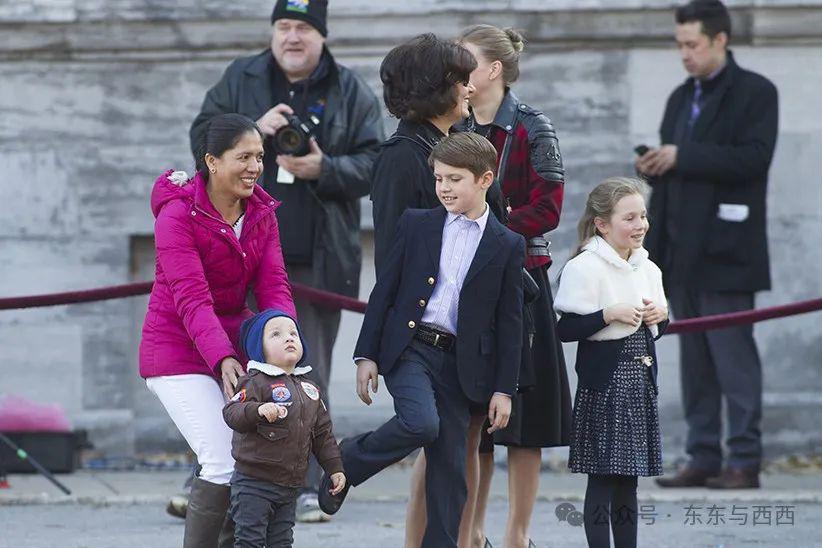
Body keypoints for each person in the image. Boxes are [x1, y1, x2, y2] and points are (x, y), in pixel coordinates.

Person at [190, 0, 384, 519]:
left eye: (303, 28)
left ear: (321, 35)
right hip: (239, 253)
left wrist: (326, 167)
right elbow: (199, 141)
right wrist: (248, 129)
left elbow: (376, 163)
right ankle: (218, 481)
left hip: (318, 257)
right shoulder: (242, 76)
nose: (291, 37)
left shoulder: (349, 89)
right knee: (232, 368)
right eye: (283, 27)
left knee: (304, 374)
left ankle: (303, 486)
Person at [318, 133, 525, 548]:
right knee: (421, 422)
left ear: (485, 180)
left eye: (454, 179)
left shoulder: (507, 244)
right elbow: (386, 290)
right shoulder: (417, 223)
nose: (443, 188)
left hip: (460, 366)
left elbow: (511, 322)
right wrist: (367, 354)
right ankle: (347, 463)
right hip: (410, 350)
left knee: (450, 472)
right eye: (438, 179)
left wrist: (504, 388)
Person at [408, 25, 572, 548]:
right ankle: (469, 534)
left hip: (524, 279)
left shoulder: (531, 127)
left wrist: (491, 231)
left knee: (525, 421)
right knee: (470, 419)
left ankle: (518, 535)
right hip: (464, 290)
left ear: (494, 69)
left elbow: (549, 208)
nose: (457, 75)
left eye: (467, 63)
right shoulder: (451, 128)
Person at [637, 0, 778, 490]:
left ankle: (744, 459)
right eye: (679, 45)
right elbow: (677, 168)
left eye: (692, 44)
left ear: (720, 40)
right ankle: (702, 455)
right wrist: (655, 165)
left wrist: (682, 155)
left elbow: (754, 159)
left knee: (733, 358)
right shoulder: (680, 97)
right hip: (680, 248)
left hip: (727, 250)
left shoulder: (756, 93)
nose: (685, 54)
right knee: (695, 361)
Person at [139, 113, 296, 548]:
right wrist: (223, 357)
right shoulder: (176, 215)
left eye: (259, 156)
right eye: (242, 157)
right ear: (211, 160)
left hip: (232, 343)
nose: (254, 166)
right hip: (174, 350)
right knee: (222, 456)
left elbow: (274, 286)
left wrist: (285, 340)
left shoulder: (262, 213)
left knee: (251, 457)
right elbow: (190, 298)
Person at [554, 177, 668, 548]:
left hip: (639, 382)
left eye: (643, 217)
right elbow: (566, 329)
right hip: (604, 386)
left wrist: (659, 318)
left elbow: (657, 327)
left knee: (629, 481)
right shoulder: (585, 266)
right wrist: (607, 314)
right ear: (602, 224)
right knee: (602, 479)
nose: (640, 226)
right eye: (630, 218)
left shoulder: (647, 267)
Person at [370, 33, 492, 276]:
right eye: (463, 81)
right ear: (437, 89)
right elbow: (394, 253)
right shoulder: (401, 156)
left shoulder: (456, 140)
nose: (471, 89)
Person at [223, 309, 345, 547]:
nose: (289, 338)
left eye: (293, 334)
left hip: (289, 485)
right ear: (260, 348)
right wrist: (257, 410)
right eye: (276, 334)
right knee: (250, 540)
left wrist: (334, 468)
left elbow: (322, 434)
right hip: (253, 483)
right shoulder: (255, 381)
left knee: (282, 541)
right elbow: (231, 412)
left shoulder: (309, 389)